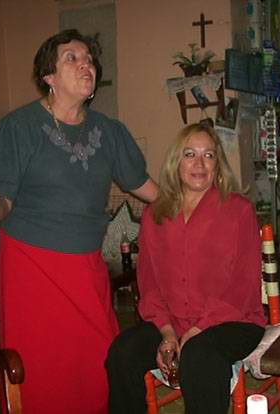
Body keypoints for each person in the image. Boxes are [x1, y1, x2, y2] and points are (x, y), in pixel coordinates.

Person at [0, 29, 157, 414]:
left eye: (89, 60)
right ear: (49, 76)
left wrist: (189, 203)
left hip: (87, 267)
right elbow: (3, 201)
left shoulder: (109, 132)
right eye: (71, 58)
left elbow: (141, 184)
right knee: (45, 370)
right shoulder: (18, 127)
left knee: (100, 362)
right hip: (34, 267)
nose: (85, 65)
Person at [106, 123, 266, 414]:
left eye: (208, 155)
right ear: (176, 163)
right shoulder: (155, 214)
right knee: (123, 351)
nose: (199, 163)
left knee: (199, 353)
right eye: (190, 154)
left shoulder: (238, 210)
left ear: (218, 165)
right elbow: (149, 283)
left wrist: (196, 330)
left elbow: (243, 288)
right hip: (173, 322)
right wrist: (167, 332)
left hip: (233, 321)